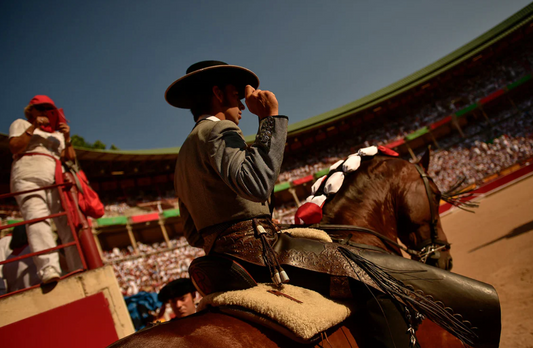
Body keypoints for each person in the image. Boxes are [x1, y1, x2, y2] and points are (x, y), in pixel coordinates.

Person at [166, 61, 499, 347]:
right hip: (257, 252)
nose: (241, 102)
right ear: (218, 94)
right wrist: (269, 119)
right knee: (374, 278)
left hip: (220, 260)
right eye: (236, 94)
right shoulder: (220, 130)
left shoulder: (182, 157)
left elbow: (194, 233)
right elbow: (256, 184)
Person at [8, 95, 83, 284]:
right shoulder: (20, 124)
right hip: (28, 175)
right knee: (37, 218)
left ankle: (78, 265)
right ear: (30, 111)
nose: (43, 111)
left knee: (66, 223)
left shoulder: (57, 134)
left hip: (55, 178)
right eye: (39, 108)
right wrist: (33, 126)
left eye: (47, 108)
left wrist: (67, 136)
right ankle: (48, 268)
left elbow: (70, 159)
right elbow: (15, 147)